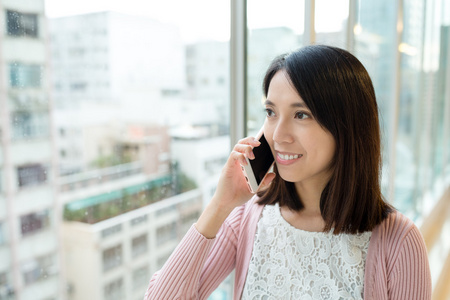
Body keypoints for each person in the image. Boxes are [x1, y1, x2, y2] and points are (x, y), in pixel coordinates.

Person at [144, 45, 431, 300]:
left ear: (347, 126)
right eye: (271, 112)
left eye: (301, 114)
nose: (278, 135)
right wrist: (220, 205)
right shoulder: (247, 218)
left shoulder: (399, 242)